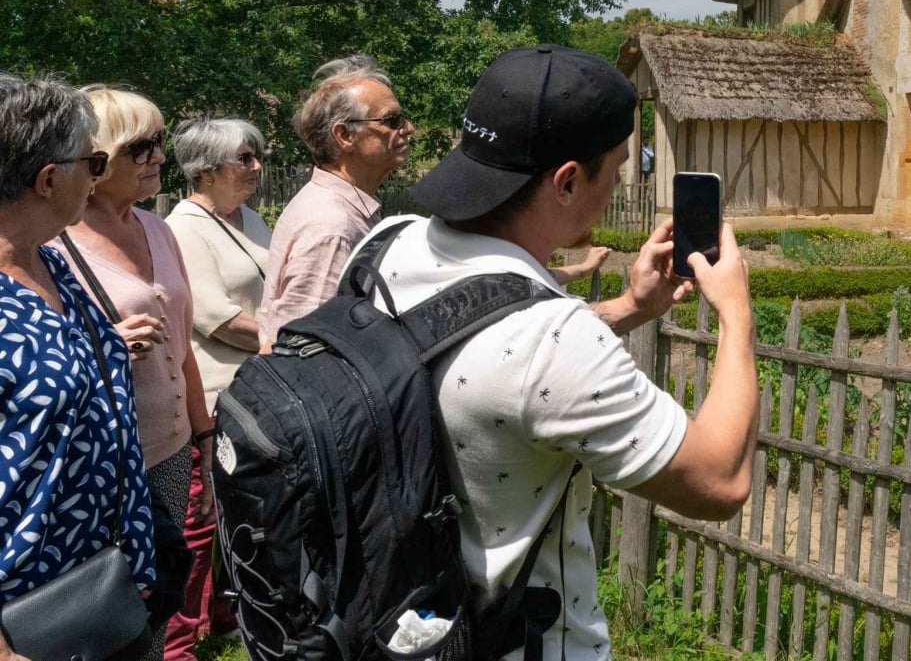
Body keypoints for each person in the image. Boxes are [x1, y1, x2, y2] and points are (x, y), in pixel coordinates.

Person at [358, 45, 758, 661]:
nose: (622, 181)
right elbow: (720, 482)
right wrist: (736, 315)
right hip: (515, 641)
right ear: (568, 180)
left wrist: (631, 308)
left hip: (391, 622)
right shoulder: (555, 339)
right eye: (617, 167)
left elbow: (474, 344)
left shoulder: (385, 245)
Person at [0, 74, 157, 661]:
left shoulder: (51, 263)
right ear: (47, 179)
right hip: (26, 620)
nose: (98, 175)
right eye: (93, 162)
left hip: (101, 588)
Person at [57, 86, 214, 661]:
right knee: (110, 607)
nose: (158, 156)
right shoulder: (54, 243)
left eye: (160, 142)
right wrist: (103, 345)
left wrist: (204, 436)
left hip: (172, 451)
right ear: (94, 163)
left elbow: (183, 345)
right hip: (109, 463)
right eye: (140, 146)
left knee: (166, 589)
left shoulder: (159, 228)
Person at [164, 117, 271, 649]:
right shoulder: (184, 227)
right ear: (205, 171)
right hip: (214, 398)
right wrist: (287, 339)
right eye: (243, 158)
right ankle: (181, 639)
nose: (256, 167)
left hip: (256, 388)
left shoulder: (250, 218)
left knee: (245, 512)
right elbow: (217, 317)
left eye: (256, 156)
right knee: (201, 521)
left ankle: (226, 615)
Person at [257, 55, 414, 348]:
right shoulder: (332, 226)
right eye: (392, 120)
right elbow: (299, 350)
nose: (408, 128)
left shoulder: (339, 206)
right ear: (344, 136)